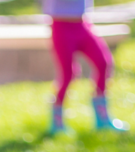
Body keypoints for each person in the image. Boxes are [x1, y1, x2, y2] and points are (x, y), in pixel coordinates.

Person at [44, 0, 128, 133]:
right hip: (61, 26)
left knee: (103, 63)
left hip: (82, 24)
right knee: (68, 75)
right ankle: (57, 122)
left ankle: (102, 118)